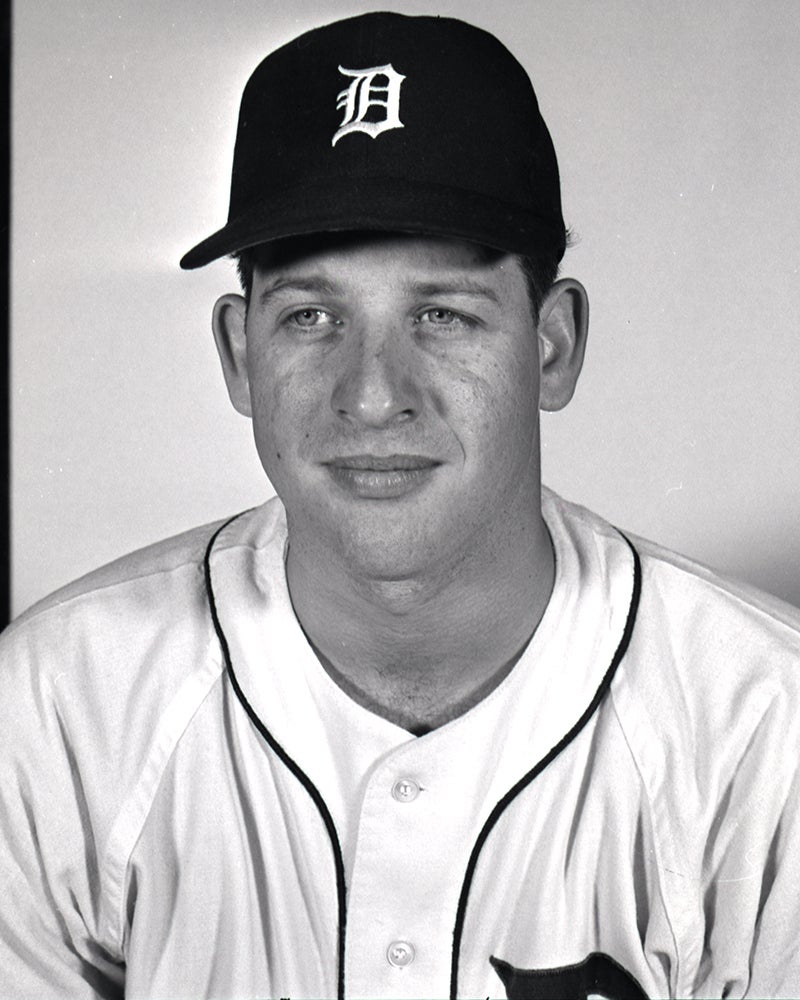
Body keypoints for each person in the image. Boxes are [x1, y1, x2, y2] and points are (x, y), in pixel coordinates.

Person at [2, 11, 799, 1000]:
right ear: (237, 356)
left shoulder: (767, 725)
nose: (373, 393)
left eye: (441, 314)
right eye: (311, 316)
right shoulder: (53, 707)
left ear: (550, 346)